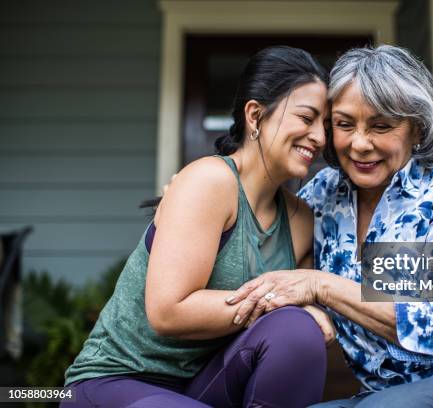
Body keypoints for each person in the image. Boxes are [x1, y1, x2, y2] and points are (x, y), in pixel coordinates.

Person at [225, 45, 433, 407]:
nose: (360, 144)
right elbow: (269, 265)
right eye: (344, 124)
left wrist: (321, 286)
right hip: (391, 395)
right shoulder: (321, 197)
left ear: (417, 129)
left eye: (381, 126)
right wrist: (201, 199)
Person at [60, 46, 335, 408]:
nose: (319, 137)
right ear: (255, 116)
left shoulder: (300, 219)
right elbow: (168, 311)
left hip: (205, 385)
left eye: (326, 125)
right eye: (306, 118)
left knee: (297, 332)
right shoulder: (210, 181)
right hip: (116, 380)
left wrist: (307, 311)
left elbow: (303, 314)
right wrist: (280, 304)